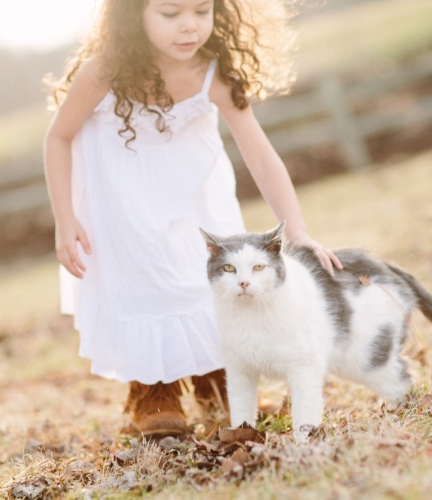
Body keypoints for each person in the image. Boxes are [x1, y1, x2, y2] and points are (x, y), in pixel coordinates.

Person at [43, 0, 343, 437]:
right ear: (133, 14)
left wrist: (295, 227)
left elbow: (259, 154)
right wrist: (64, 217)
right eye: (171, 14)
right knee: (145, 283)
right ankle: (153, 392)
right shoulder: (102, 73)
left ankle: (217, 380)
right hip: (123, 203)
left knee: (207, 283)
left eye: (202, 11)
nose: (190, 27)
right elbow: (58, 137)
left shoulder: (213, 72)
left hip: (196, 198)